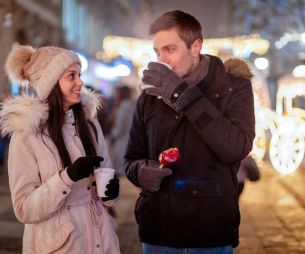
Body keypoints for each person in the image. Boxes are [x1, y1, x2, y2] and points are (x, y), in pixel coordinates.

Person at [124, 10, 255, 254]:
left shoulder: (234, 87)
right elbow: (130, 158)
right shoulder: (150, 96)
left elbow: (236, 147)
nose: (162, 59)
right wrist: (141, 172)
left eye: (170, 49)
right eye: (157, 51)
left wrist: (182, 95)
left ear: (196, 46)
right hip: (158, 231)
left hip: (211, 232)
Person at [1, 45, 121, 253]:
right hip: (60, 246)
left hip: (102, 241)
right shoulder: (27, 134)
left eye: (79, 75)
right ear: (50, 84)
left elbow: (105, 179)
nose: (80, 82)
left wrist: (111, 194)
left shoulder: (90, 125)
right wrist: (67, 177)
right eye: (71, 76)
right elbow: (24, 209)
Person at [110, 86, 136, 176]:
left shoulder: (123, 107)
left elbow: (118, 130)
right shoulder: (135, 106)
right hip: (133, 144)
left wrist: (111, 135)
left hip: (121, 145)